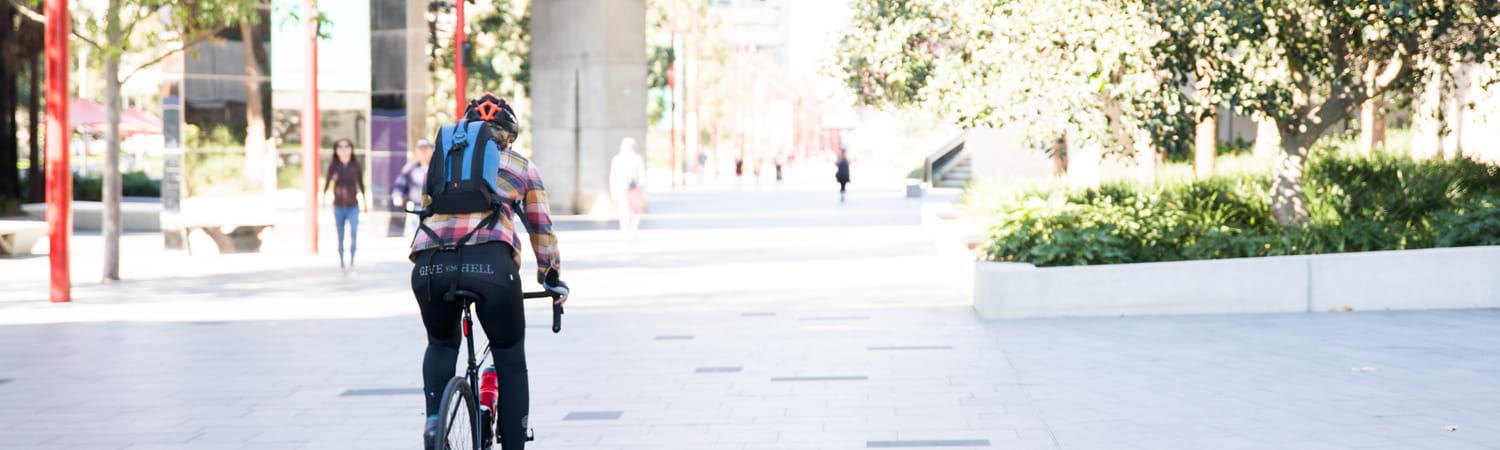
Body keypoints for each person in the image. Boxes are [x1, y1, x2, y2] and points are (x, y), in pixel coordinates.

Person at [410, 93, 568, 450]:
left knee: (440, 342)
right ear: (508, 137)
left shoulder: (440, 162)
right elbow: (541, 231)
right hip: (492, 267)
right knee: (510, 354)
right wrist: (551, 278)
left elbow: (425, 211)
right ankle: (513, 440)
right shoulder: (522, 167)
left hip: (430, 265)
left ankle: (435, 422)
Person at [323, 138, 366, 271]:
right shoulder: (334, 165)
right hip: (338, 206)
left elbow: (361, 183)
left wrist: (365, 203)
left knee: (353, 233)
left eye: (347, 146)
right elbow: (327, 183)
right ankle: (342, 263)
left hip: (353, 206)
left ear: (351, 149)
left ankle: (352, 261)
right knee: (340, 234)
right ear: (336, 150)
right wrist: (323, 198)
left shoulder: (355, 165)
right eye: (340, 146)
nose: (344, 149)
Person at [392, 139, 434, 235]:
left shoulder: (437, 168)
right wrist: (397, 195)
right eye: (420, 149)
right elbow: (400, 184)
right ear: (416, 152)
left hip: (434, 209)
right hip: (416, 209)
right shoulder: (410, 168)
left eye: (426, 149)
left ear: (432, 150)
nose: (423, 152)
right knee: (415, 237)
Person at [609, 137, 646, 234]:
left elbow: (613, 177)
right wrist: (642, 190)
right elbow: (641, 177)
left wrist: (613, 191)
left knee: (623, 211)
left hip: (621, 188)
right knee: (636, 212)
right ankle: (632, 231)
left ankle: (625, 231)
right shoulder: (637, 158)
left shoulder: (617, 159)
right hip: (634, 188)